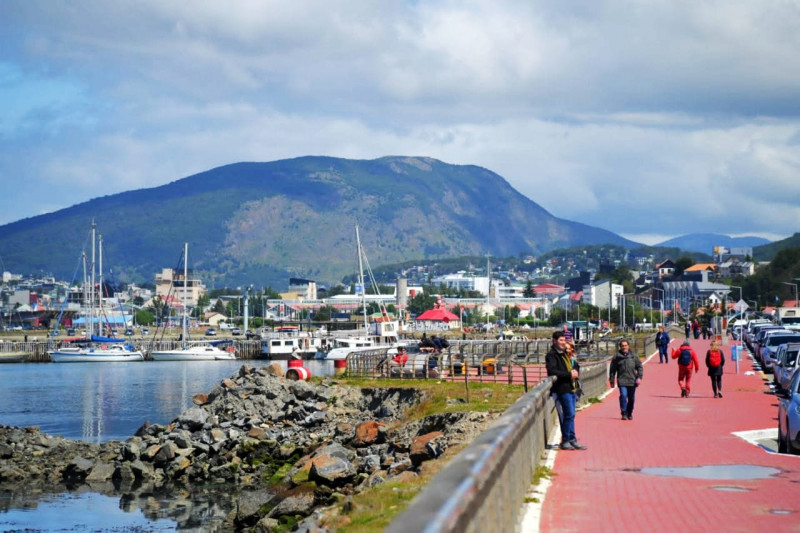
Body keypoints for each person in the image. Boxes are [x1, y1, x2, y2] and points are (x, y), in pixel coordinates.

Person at [546, 330, 586, 450]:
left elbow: (574, 365)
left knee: (571, 415)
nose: (563, 343)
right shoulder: (551, 355)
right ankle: (566, 440)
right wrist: (569, 374)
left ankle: (572, 439)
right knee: (568, 415)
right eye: (561, 340)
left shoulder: (565, 353)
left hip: (572, 388)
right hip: (562, 389)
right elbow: (552, 371)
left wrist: (575, 371)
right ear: (554, 341)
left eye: (564, 340)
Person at [608, 339, 643, 420]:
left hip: (632, 380)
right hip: (622, 380)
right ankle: (623, 412)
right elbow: (612, 369)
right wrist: (612, 380)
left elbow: (639, 367)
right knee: (623, 395)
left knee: (631, 398)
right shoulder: (617, 357)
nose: (624, 347)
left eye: (625, 345)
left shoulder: (634, 356)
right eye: (622, 346)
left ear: (628, 346)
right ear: (620, 347)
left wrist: (639, 377)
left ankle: (629, 412)